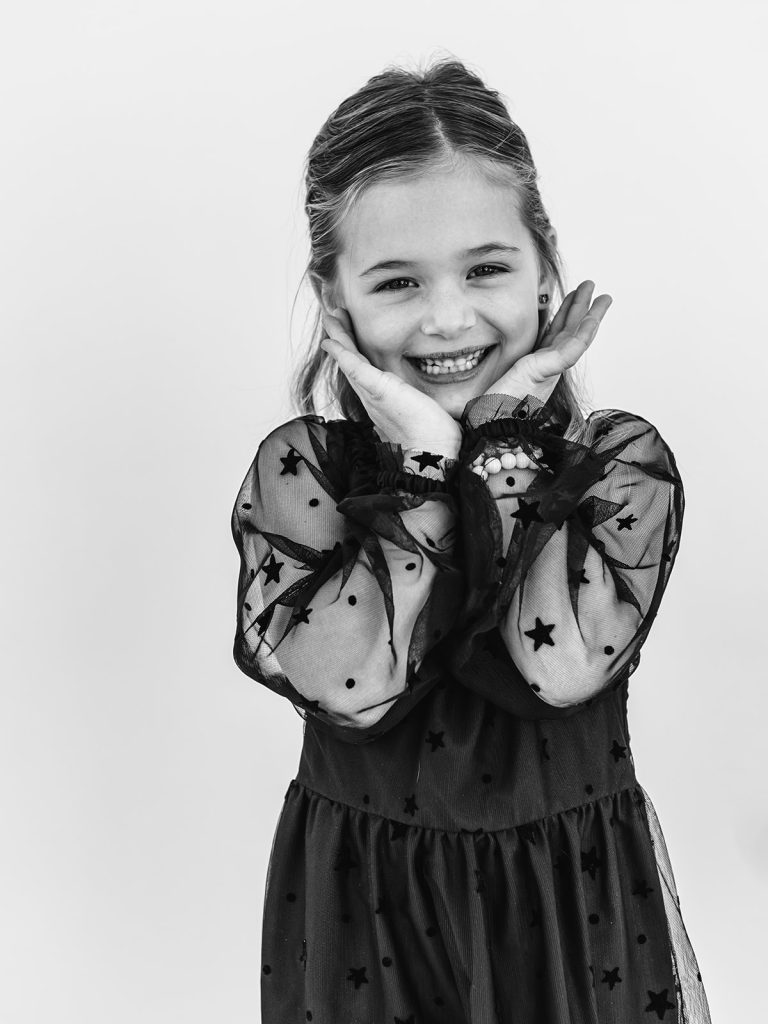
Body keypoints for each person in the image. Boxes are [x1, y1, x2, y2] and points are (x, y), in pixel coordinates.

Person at [230, 57, 712, 1024]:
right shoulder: (311, 474)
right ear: (336, 304)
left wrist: (500, 442)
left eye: (485, 269)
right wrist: (421, 467)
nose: (448, 317)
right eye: (398, 281)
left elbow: (560, 669)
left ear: (543, 274)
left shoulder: (612, 467)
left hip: (567, 913)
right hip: (370, 912)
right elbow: (348, 684)